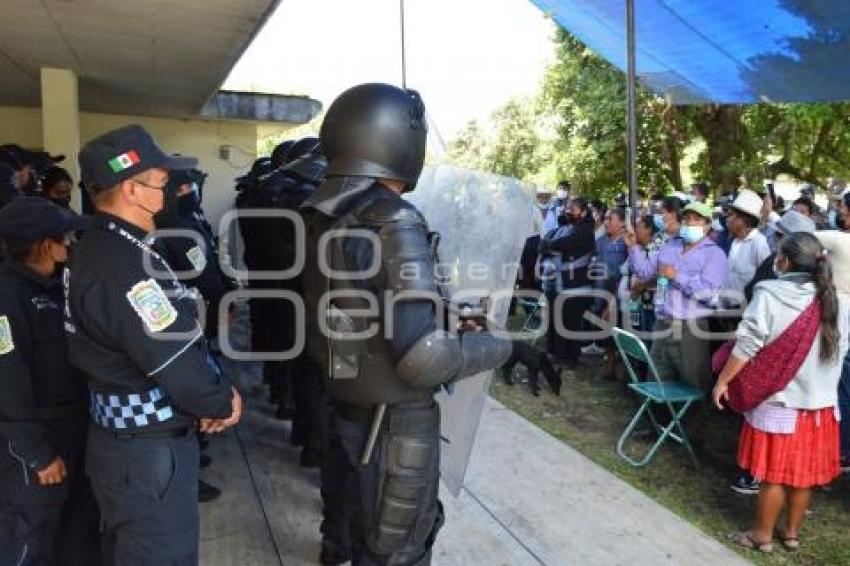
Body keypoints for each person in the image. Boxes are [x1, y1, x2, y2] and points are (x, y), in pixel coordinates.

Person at [300, 83, 513, 565]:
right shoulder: (392, 219)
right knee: (398, 550)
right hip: (393, 423)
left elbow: (358, 307)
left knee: (353, 536)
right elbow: (425, 357)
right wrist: (500, 346)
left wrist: (446, 314)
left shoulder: (321, 214)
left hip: (347, 409)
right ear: (399, 136)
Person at [66, 124, 242, 564]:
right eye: (161, 183)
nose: (168, 192)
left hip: (133, 445)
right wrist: (219, 401)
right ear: (132, 188)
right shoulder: (124, 264)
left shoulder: (110, 247)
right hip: (146, 453)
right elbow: (174, 357)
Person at [712, 232, 849, 553]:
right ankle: (790, 534)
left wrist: (723, 381)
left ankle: (762, 536)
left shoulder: (771, 295)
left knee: (773, 476)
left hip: (780, 403)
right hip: (822, 408)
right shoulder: (839, 302)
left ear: (784, 261)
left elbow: (747, 345)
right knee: (803, 476)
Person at [0, 197, 101, 565]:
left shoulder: (57, 287)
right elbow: (7, 381)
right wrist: (38, 454)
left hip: (74, 425)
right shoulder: (7, 298)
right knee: (30, 533)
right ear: (47, 246)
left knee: (79, 528)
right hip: (35, 439)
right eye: (66, 239)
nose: (70, 247)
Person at [627, 201, 728, 443]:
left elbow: (709, 295)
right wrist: (633, 247)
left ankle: (691, 436)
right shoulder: (670, 246)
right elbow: (644, 273)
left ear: (707, 225)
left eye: (696, 219)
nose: (690, 223)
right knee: (657, 375)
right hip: (663, 321)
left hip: (692, 326)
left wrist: (677, 276)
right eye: (687, 218)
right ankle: (655, 426)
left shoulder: (714, 254)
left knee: (693, 381)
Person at [540, 197, 596, 368]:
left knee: (570, 322)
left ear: (584, 212)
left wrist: (553, 246)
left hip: (576, 286)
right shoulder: (563, 228)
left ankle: (570, 357)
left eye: (573, 208)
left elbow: (565, 244)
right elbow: (543, 244)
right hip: (558, 284)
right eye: (567, 207)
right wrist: (552, 246)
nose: (568, 210)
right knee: (556, 319)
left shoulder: (585, 230)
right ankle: (556, 352)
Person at [586, 207, 628, 377]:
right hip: (599, 291)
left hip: (617, 296)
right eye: (606, 219)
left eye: (611, 219)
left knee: (617, 331)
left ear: (623, 222)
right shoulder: (602, 241)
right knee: (604, 331)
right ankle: (609, 362)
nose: (606, 222)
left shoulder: (627, 244)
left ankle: (616, 367)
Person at [722, 190, 771, 308]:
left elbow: (765, 278)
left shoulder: (758, 242)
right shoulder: (733, 241)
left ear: (745, 219)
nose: (728, 219)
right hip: (726, 304)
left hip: (745, 308)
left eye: (732, 215)